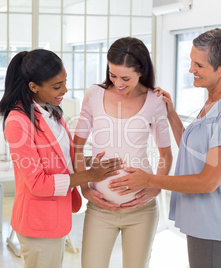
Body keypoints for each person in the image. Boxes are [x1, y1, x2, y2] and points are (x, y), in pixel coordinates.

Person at [109, 28, 221, 268]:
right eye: (191, 61)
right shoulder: (211, 101)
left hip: (216, 224)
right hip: (204, 222)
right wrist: (171, 113)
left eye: (199, 65)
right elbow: (191, 147)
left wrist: (149, 180)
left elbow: (208, 181)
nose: (191, 70)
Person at [0, 49, 124, 268]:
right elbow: (37, 183)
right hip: (38, 223)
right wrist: (89, 174)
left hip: (55, 217)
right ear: (33, 86)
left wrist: (90, 164)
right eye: (57, 86)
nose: (65, 90)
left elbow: (61, 158)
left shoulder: (51, 111)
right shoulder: (17, 121)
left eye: (65, 82)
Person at [73, 37, 173, 268]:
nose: (118, 83)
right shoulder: (94, 95)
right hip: (100, 209)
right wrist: (85, 187)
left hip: (141, 211)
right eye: (112, 74)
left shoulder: (155, 101)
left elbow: (166, 155)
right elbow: (77, 148)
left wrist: (156, 186)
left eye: (125, 78)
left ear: (141, 72)